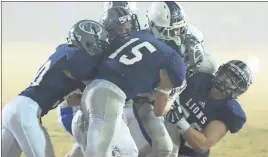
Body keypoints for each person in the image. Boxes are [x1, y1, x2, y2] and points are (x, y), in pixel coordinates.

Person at [80, 5, 187, 156]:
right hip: (110, 96)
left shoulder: (140, 35)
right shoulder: (175, 61)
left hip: (94, 93)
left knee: (128, 152)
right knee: (99, 152)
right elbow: (159, 110)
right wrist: (169, 100)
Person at [2, 19, 109, 157]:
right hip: (26, 112)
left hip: (15, 109)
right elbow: (96, 80)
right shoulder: (77, 55)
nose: (99, 48)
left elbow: (72, 99)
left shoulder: (66, 52)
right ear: (85, 40)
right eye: (97, 43)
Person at [163, 60, 252, 157]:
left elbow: (202, 145)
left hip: (186, 154)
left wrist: (179, 120)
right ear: (220, 70)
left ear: (239, 89)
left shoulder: (229, 111)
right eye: (227, 73)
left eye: (234, 80)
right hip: (162, 133)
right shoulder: (199, 79)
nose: (226, 79)